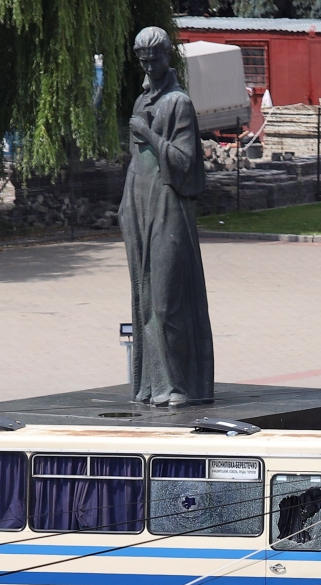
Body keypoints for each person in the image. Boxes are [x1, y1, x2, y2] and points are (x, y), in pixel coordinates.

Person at [119, 26, 214, 407]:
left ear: (166, 56)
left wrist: (149, 134)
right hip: (140, 206)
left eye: (154, 59)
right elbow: (135, 161)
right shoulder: (141, 100)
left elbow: (185, 161)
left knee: (166, 301)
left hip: (168, 206)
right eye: (143, 61)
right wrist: (126, 205)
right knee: (145, 300)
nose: (149, 66)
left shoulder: (179, 104)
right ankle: (153, 383)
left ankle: (181, 385)